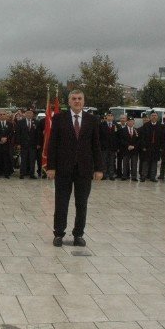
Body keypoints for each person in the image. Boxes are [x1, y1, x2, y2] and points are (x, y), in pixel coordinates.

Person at [46, 90, 103, 247]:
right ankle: (59, 234)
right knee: (61, 202)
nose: (77, 101)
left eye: (79, 99)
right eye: (74, 99)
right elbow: (53, 144)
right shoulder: (59, 118)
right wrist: (51, 166)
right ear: (69, 101)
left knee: (82, 203)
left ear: (84, 101)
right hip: (63, 168)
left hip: (84, 169)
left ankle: (78, 234)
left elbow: (96, 145)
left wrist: (99, 168)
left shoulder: (92, 120)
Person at [139, 111, 161, 182]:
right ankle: (143, 176)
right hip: (147, 147)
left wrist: (161, 147)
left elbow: (162, 138)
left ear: (157, 117)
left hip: (156, 148)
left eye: (155, 115)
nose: (154, 117)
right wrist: (143, 147)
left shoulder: (160, 126)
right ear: (150, 117)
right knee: (145, 162)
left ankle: (153, 177)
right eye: (152, 115)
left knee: (154, 163)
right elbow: (142, 137)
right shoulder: (146, 125)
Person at [0, 110, 15, 179]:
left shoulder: (10, 124)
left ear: (6, 115)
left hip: (7, 144)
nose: (2, 116)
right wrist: (0, 139)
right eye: (0, 114)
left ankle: (6, 173)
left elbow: (11, 133)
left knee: (6, 159)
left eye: (3, 114)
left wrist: (6, 138)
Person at [17, 109, 39, 179]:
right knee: (23, 160)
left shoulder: (36, 122)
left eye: (30, 113)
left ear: (33, 115)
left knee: (32, 160)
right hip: (24, 144)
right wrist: (18, 143)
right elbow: (18, 134)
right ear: (25, 114)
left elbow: (38, 134)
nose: (29, 115)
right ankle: (22, 174)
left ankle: (31, 174)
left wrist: (38, 143)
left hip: (33, 145)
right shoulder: (20, 122)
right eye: (28, 113)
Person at [99, 111, 119, 180]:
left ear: (113, 117)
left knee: (112, 162)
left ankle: (111, 175)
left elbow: (117, 137)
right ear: (106, 117)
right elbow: (99, 136)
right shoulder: (101, 125)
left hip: (112, 147)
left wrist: (116, 147)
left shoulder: (116, 125)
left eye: (111, 115)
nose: (110, 117)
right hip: (104, 147)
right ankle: (104, 175)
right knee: (104, 161)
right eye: (108, 115)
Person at [118, 116, 139, 181]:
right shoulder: (122, 130)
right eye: (129, 121)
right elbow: (121, 140)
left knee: (134, 163)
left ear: (134, 122)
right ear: (127, 122)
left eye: (132, 121)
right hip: (125, 149)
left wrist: (134, 146)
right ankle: (124, 176)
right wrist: (128, 146)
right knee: (125, 163)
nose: (130, 123)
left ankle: (134, 176)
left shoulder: (136, 130)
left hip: (134, 150)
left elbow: (139, 140)